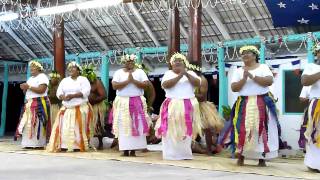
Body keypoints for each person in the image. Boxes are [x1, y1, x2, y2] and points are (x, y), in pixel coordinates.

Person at [230, 45, 280, 166]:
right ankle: (241, 156)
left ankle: (261, 158)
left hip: (261, 101)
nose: (245, 55)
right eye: (243, 54)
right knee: (242, 129)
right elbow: (234, 88)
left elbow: (269, 81)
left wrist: (253, 76)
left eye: (248, 53)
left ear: (254, 55)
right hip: (244, 102)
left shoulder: (263, 67)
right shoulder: (238, 71)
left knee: (261, 129)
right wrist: (244, 78)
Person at [155, 53, 202, 160]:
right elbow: (165, 85)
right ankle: (171, 154)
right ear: (171, 64)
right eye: (175, 61)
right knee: (171, 129)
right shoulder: (168, 73)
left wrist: (186, 74)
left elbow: (197, 83)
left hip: (188, 104)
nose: (178, 62)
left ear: (184, 63)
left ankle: (184, 154)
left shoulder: (190, 73)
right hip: (173, 105)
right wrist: (180, 75)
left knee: (186, 129)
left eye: (180, 60)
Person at [47, 61, 93, 152]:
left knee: (77, 127)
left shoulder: (83, 79)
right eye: (70, 68)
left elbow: (86, 91)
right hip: (67, 108)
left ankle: (78, 146)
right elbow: (59, 92)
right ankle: (65, 145)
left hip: (79, 108)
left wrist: (73, 96)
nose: (71, 69)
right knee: (65, 127)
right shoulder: (65, 80)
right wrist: (62, 96)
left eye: (73, 67)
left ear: (78, 70)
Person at [110, 54, 151, 156]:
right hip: (122, 102)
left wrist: (133, 81)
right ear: (124, 62)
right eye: (128, 61)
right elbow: (114, 86)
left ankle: (133, 150)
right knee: (123, 124)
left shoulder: (140, 72)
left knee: (136, 124)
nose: (130, 63)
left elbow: (146, 85)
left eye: (132, 61)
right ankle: (125, 150)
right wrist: (128, 81)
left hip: (136, 101)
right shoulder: (118, 72)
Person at [15, 60, 50, 149]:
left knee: (38, 123)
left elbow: (41, 90)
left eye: (33, 67)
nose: (31, 69)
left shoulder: (43, 77)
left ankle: (38, 144)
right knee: (28, 123)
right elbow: (27, 93)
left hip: (39, 103)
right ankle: (28, 143)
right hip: (29, 103)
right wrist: (24, 89)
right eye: (30, 67)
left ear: (38, 68)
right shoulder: (30, 78)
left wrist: (29, 87)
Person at [300, 42, 320, 172]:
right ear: (317, 53)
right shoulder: (311, 67)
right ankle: (315, 164)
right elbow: (305, 81)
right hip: (317, 105)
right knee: (315, 134)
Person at [194, 73, 224, 155]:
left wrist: (190, 94)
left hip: (202, 106)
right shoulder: (189, 78)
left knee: (207, 128)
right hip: (192, 105)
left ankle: (209, 149)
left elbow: (202, 96)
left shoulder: (202, 80)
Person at [82, 65, 107, 150]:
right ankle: (87, 142)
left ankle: (100, 143)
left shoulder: (97, 82)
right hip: (86, 106)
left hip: (97, 107)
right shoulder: (82, 83)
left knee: (98, 124)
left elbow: (104, 95)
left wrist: (94, 101)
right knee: (86, 124)